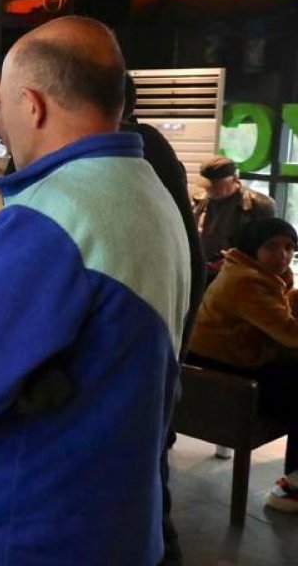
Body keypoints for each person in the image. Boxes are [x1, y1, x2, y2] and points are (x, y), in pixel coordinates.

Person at [0, 16, 191, 565]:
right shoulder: (147, 189)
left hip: (26, 533)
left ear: (31, 105)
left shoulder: (50, 218)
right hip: (115, 521)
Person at [122, 77, 206, 566]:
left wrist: (173, 356)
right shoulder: (145, 150)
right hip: (152, 358)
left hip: (143, 365)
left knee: (149, 497)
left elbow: (188, 263)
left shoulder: (141, 150)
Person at [188, 217, 298, 512]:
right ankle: (291, 489)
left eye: (289, 247)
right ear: (253, 247)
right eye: (272, 246)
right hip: (222, 371)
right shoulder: (246, 281)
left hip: (237, 358)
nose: (283, 255)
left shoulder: (257, 271)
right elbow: (289, 333)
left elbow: (281, 309)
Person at [194, 155, 275, 277]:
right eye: (207, 185)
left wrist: (233, 261)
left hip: (237, 275)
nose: (210, 189)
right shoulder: (198, 200)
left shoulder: (259, 205)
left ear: (234, 178)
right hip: (201, 272)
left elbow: (265, 246)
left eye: (216, 184)